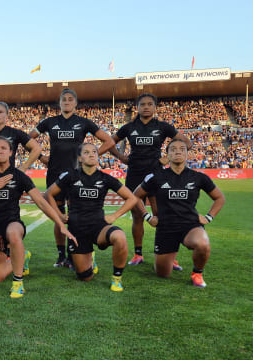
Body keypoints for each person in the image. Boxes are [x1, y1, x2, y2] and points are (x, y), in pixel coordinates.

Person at [0, 136, 75, 298]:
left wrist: (61, 224)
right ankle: (23, 257)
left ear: (10, 152)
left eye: (3, 148)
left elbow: (42, 203)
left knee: (14, 233)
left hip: (13, 223)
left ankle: (18, 283)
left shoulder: (19, 176)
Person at [29, 89, 115, 268]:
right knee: (59, 217)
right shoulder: (50, 122)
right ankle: (61, 256)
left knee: (76, 216)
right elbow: (27, 139)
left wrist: (90, 155)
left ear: (75, 104)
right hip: (54, 174)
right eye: (63, 100)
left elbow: (109, 141)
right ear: (59, 103)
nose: (67, 102)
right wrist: (42, 158)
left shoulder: (83, 122)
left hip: (78, 175)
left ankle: (76, 253)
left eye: (70, 100)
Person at [108, 93, 192, 267]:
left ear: (154, 107)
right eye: (142, 104)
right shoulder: (129, 127)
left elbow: (187, 144)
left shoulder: (163, 127)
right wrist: (121, 157)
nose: (146, 107)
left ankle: (168, 255)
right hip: (134, 175)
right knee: (137, 216)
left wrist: (167, 158)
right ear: (137, 107)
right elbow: (109, 143)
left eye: (149, 104)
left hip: (157, 176)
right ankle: (138, 254)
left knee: (161, 216)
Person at [45, 143, 137, 291]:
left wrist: (114, 216)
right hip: (76, 230)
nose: (92, 154)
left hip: (98, 227)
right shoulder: (70, 176)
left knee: (119, 236)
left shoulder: (105, 178)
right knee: (85, 277)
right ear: (80, 158)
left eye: (94, 152)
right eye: (87, 152)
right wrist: (59, 215)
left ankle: (117, 279)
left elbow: (132, 198)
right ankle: (89, 258)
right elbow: (48, 194)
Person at [133, 139, 225, 287]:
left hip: (190, 225)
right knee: (163, 274)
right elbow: (135, 196)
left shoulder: (198, 177)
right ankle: (171, 255)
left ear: (187, 154)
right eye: (173, 149)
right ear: (167, 155)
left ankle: (197, 273)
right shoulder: (156, 177)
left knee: (203, 244)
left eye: (182, 149)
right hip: (165, 228)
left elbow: (219, 198)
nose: (178, 151)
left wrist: (208, 217)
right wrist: (147, 216)